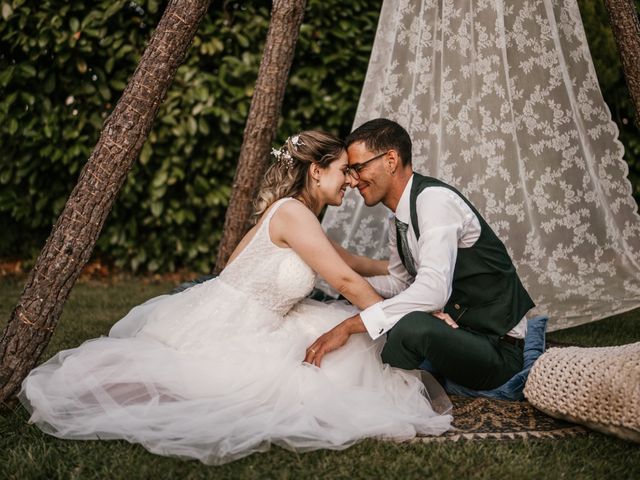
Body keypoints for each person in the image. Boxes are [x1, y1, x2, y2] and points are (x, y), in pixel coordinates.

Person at [19, 131, 451, 466]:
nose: (351, 180)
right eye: (344, 170)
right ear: (316, 171)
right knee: (220, 389)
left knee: (338, 344)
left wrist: (399, 272)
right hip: (236, 326)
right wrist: (406, 313)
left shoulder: (290, 212)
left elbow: (347, 260)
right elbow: (344, 280)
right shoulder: (292, 213)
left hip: (244, 312)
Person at [305, 119, 535, 393]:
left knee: (410, 327)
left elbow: (434, 291)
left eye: (358, 167)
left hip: (497, 348)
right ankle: (348, 379)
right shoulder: (398, 219)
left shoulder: (434, 201)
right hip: (459, 332)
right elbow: (400, 284)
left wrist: (349, 326)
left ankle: (382, 393)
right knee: (360, 305)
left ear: (390, 160)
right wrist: (347, 287)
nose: (352, 181)